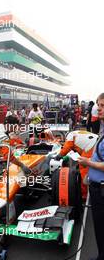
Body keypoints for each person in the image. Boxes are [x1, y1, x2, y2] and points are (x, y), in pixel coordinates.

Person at [78, 93, 104, 260]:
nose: (98, 108)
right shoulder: (102, 128)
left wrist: (88, 163)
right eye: (98, 105)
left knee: (102, 229)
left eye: (102, 106)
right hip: (97, 188)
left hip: (101, 191)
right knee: (100, 231)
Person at [55, 130, 98, 199]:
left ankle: (85, 194)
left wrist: (59, 155)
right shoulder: (77, 133)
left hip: (90, 146)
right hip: (97, 142)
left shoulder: (70, 136)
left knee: (83, 167)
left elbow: (67, 147)